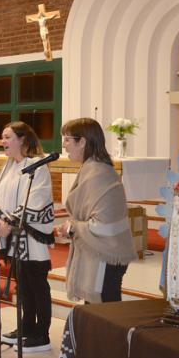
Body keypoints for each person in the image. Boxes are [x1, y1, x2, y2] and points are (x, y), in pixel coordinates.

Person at [55, 118, 136, 303]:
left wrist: (72, 227)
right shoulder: (92, 168)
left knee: (105, 313)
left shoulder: (98, 172)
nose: (64, 145)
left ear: (82, 142)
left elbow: (103, 225)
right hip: (101, 252)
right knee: (98, 313)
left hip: (107, 255)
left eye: (67, 139)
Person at [0, 122, 55, 353]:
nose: (3, 142)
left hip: (32, 239)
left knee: (37, 285)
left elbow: (37, 200)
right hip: (14, 239)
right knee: (23, 286)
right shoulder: (9, 165)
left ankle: (42, 334)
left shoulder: (37, 166)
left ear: (22, 139)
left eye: (8, 137)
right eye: (3, 138)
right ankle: (26, 326)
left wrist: (9, 222)